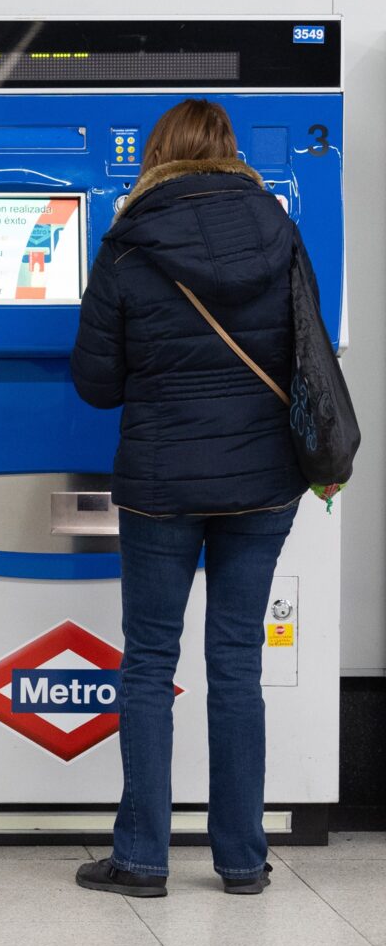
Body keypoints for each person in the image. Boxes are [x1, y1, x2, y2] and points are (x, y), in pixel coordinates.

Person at [70, 98, 312, 898]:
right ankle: (242, 859)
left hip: (162, 482)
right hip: (262, 481)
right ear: (231, 151)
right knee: (237, 663)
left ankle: (142, 858)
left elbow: (96, 382)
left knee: (149, 663)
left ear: (156, 154)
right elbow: (308, 349)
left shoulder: (128, 243)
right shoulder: (280, 231)